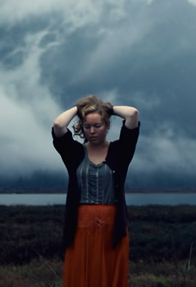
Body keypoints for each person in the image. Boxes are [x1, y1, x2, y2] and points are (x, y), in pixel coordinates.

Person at [52, 95, 140, 287]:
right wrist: (81, 108)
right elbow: (58, 125)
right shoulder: (74, 153)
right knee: (81, 277)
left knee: (109, 277)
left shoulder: (121, 151)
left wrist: (105, 108)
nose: (92, 131)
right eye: (87, 126)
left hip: (113, 227)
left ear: (108, 125)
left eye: (97, 126)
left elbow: (133, 114)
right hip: (80, 227)